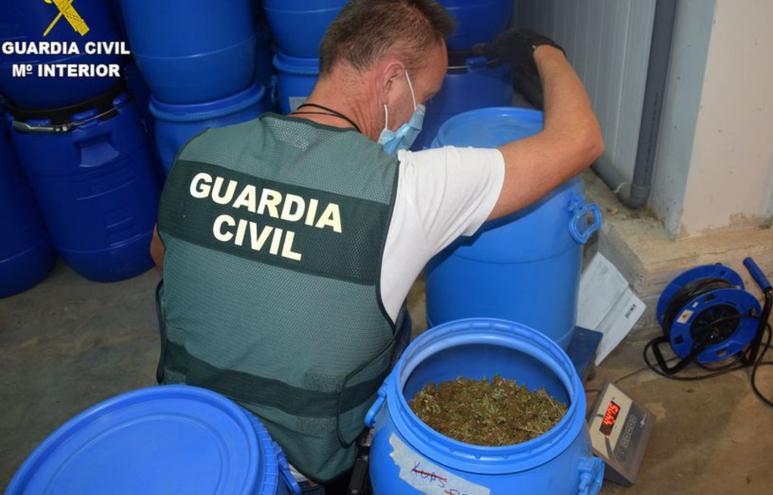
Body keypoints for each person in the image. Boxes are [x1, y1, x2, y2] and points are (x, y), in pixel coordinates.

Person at [149, 0, 602, 489]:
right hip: (295, 468)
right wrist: (544, 50)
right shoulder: (406, 191)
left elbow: (163, 256)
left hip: (187, 429)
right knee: (393, 320)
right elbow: (579, 140)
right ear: (390, 82)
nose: (420, 117)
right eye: (422, 97)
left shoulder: (203, 151)